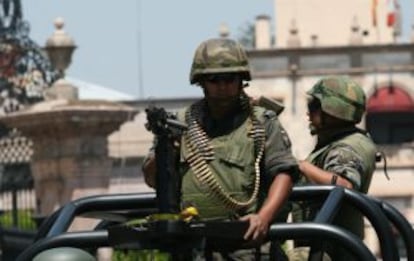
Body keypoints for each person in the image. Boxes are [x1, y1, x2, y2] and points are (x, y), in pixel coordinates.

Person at [142, 38, 299, 260]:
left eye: (230, 78)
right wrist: (166, 150)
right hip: (192, 247)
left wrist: (263, 217)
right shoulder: (178, 123)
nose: (222, 86)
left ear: (241, 79)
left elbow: (284, 173)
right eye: (214, 79)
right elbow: (151, 179)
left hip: (247, 246)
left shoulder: (262, 121)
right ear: (201, 82)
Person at [290, 75, 377, 261]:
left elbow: (344, 185)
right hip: (325, 248)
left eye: (313, 107)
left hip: (334, 252)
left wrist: (302, 166)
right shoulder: (335, 142)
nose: (308, 114)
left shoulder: (348, 146)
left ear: (333, 111)